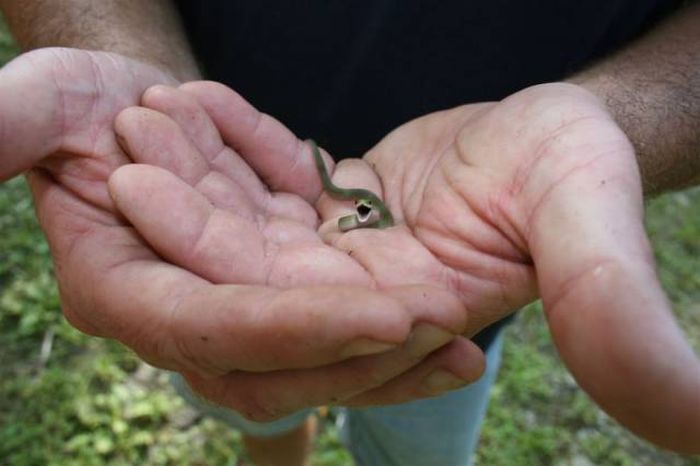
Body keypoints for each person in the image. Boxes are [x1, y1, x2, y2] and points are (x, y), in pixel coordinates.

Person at [0, 1, 698, 465]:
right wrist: (126, 60)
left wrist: (606, 117)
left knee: (417, 425)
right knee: (250, 393)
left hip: (455, 288)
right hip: (204, 230)